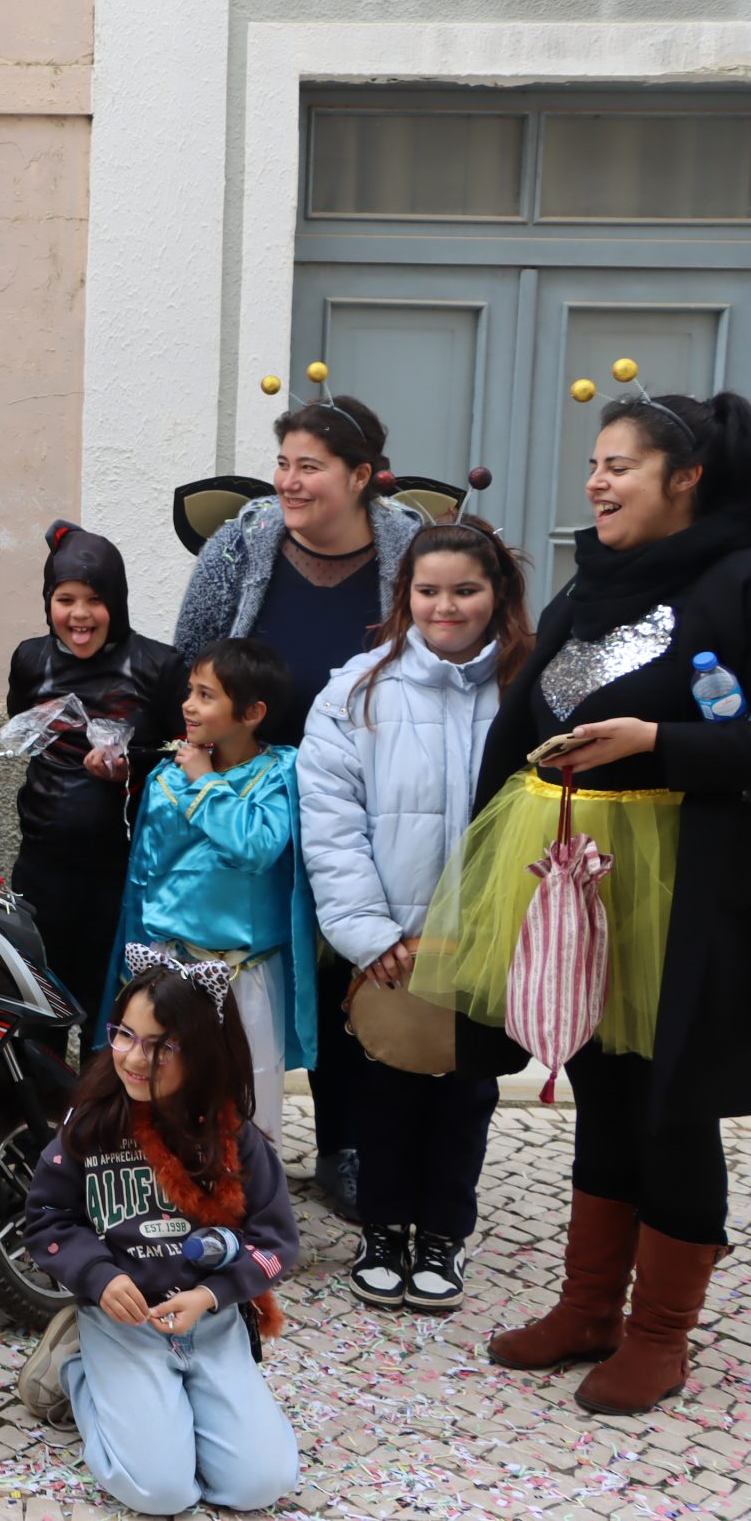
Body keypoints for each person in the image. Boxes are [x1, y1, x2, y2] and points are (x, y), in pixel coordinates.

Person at [414, 392, 751, 1414]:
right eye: (594, 465)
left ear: (685, 478)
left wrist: (659, 744)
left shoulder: (735, 582)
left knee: (669, 1103)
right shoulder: (587, 584)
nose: (596, 483)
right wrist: (478, 887)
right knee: (602, 1087)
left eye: (620, 466)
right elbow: (516, 725)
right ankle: (589, 1307)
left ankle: (659, 1336)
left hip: (681, 880)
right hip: (565, 870)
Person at [173, 395, 420, 1224]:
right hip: (255, 789)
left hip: (367, 797)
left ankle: (347, 1143)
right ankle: (230, 1138)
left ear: (361, 477)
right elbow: (190, 657)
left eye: (309, 466)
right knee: (265, 963)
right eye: (283, 463)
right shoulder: (240, 541)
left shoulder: (412, 549)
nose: (288, 481)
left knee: (350, 963)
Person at [298, 522, 531, 1311]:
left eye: (465, 589)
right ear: (405, 595)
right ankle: (384, 1229)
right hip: (389, 940)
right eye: (428, 590)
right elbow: (331, 821)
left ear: (496, 593)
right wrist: (368, 933)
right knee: (385, 1090)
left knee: (466, 1094)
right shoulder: (358, 689)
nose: (446, 606)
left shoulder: (526, 685)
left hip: (484, 938)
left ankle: (442, 1235)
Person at [17, 955, 301, 1516]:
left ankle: (179, 1401)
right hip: (124, 1324)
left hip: (211, 1322)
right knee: (160, 1492)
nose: (136, 1058)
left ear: (202, 1052)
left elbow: (276, 1245)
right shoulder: (91, 1124)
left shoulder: (235, 1138)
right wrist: (98, 1277)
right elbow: (47, 1219)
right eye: (124, 1035)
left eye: (162, 1045)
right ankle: (79, 1370)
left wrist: (211, 1295)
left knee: (259, 1484)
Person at [112, 639, 317, 1141]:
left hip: (242, 970)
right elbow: (146, 874)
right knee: (162, 1083)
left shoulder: (279, 774)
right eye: (190, 691)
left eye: (206, 695)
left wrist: (205, 783)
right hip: (166, 964)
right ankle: (165, 1191)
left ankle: (245, 1198)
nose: (188, 705)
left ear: (252, 713)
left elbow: (256, 846)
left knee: (242, 1088)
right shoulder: (170, 772)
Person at [7, 522, 187, 1033]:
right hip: (41, 864)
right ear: (48, 602)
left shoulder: (158, 666)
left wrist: (131, 767)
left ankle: (101, 1106)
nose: (79, 615)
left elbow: (189, 756)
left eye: (95, 599)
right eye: (65, 599)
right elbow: (25, 729)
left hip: (121, 871)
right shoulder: (30, 659)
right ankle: (40, 1109)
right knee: (38, 1002)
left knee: (110, 1008)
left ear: (119, 602)